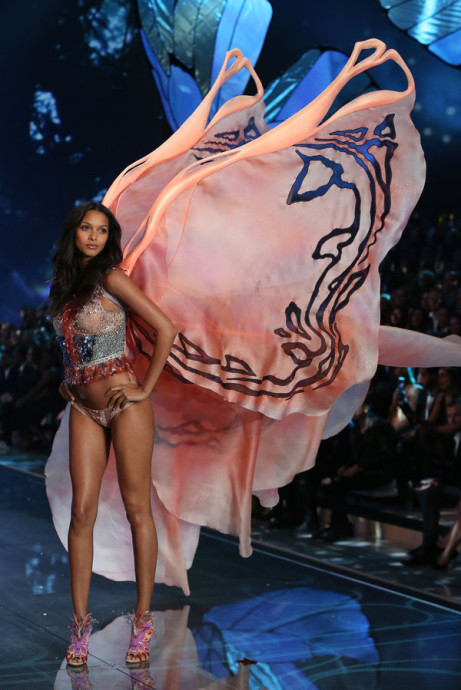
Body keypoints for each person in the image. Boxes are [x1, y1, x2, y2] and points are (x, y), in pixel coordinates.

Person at [48, 201, 177, 667]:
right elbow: (73, 346)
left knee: (136, 508)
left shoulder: (112, 278)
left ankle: (143, 621)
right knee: (81, 514)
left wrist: (145, 388)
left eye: (102, 230)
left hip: (125, 405)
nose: (94, 237)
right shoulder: (61, 287)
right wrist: (69, 378)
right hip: (82, 405)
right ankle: (79, 628)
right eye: (86, 227)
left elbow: (166, 328)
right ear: (74, 232)